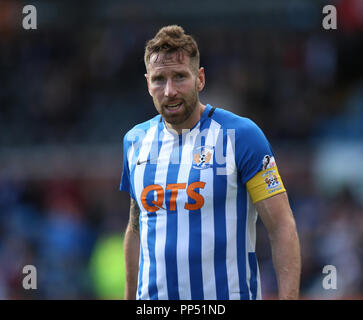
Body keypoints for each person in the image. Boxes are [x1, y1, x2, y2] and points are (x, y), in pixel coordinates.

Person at [120, 25, 301, 300]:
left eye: (180, 77)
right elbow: (136, 228)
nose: (169, 90)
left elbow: (281, 226)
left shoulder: (241, 136)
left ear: (200, 79)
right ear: (148, 83)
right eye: (159, 79)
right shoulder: (135, 141)